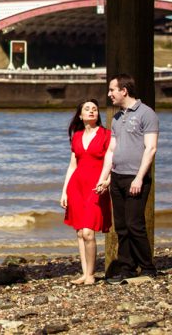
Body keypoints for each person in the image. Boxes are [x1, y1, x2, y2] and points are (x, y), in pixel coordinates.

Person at [105, 73, 159, 283]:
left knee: (135, 224)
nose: (109, 94)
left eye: (112, 90)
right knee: (121, 226)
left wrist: (139, 178)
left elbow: (151, 148)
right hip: (117, 177)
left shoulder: (147, 114)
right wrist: (106, 176)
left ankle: (148, 267)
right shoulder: (117, 117)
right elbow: (111, 149)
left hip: (135, 178)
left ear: (123, 91)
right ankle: (126, 268)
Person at [60, 99, 115, 285]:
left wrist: (107, 181)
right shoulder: (76, 136)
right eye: (87, 109)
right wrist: (64, 192)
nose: (92, 111)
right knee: (79, 233)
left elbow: (114, 162)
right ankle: (84, 273)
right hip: (76, 187)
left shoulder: (107, 135)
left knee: (88, 233)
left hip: (96, 187)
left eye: (95, 109)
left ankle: (91, 274)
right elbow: (72, 165)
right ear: (80, 115)